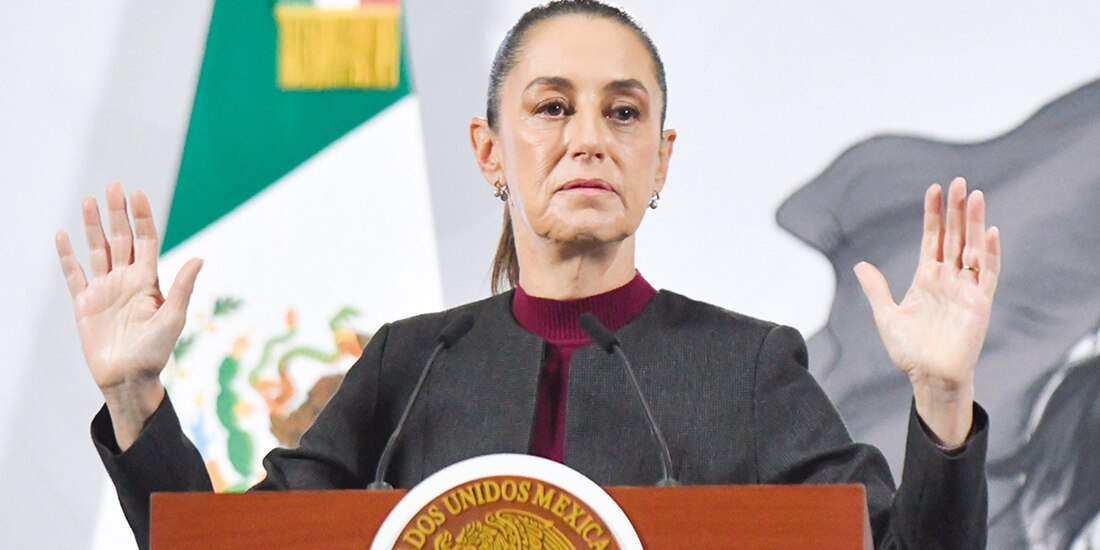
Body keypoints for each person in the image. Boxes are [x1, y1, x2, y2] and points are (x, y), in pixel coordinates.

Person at [55, 1, 998, 548]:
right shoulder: (407, 366)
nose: (589, 137)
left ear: (660, 160)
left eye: (623, 114)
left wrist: (944, 401)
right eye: (552, 107)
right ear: (490, 149)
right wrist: (138, 398)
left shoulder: (747, 368)